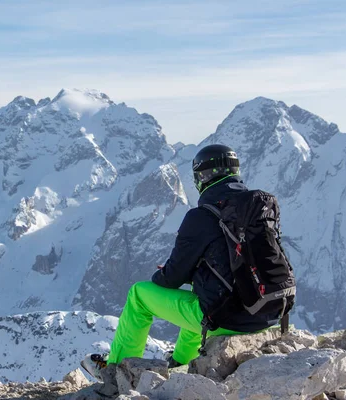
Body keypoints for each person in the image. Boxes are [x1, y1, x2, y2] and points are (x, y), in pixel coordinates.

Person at [81, 144, 286, 381]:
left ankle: (116, 373)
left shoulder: (201, 216)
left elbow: (172, 277)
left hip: (231, 320)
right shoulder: (258, 207)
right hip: (271, 313)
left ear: (202, 177)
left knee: (139, 295)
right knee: (202, 296)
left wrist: (164, 274)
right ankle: (179, 363)